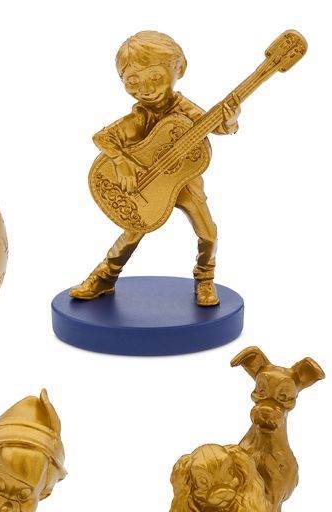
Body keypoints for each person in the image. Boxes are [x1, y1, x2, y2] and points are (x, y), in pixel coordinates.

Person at [70, 30, 239, 307]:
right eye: (133, 81)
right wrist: (122, 162)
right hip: (143, 186)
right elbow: (103, 138)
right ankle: (104, 278)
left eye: (155, 77)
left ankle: (205, 280)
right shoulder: (140, 116)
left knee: (208, 233)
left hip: (184, 184)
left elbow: (217, 126)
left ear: (179, 69)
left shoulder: (184, 109)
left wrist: (230, 121)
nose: (146, 89)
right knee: (132, 230)